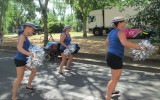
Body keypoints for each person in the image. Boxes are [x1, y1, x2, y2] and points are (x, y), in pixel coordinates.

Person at [105, 16, 146, 100]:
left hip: (111, 55)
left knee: (117, 75)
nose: (125, 23)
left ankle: (112, 91)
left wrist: (114, 48)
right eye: (123, 21)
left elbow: (106, 44)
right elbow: (125, 43)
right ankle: (108, 97)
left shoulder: (111, 32)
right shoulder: (120, 32)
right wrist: (139, 46)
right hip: (115, 57)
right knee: (114, 78)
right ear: (119, 23)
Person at [12, 22, 37, 100]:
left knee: (34, 70)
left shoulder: (25, 36)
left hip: (25, 59)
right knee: (20, 78)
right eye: (32, 29)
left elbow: (24, 46)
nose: (33, 30)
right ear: (27, 27)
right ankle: (13, 97)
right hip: (20, 60)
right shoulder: (22, 36)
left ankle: (29, 85)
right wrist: (30, 54)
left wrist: (33, 48)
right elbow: (19, 48)